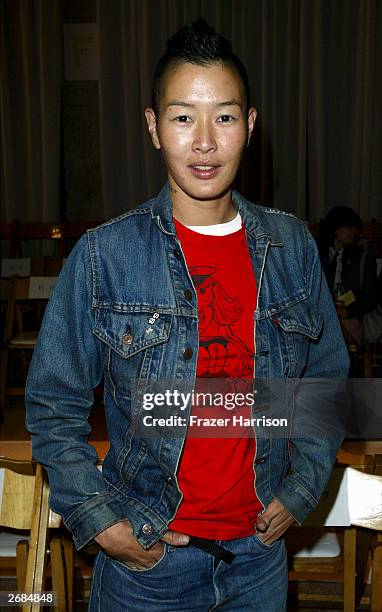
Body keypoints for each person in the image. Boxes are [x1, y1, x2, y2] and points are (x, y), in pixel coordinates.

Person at [25, 18, 349, 612]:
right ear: (153, 127)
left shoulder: (292, 246)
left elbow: (324, 378)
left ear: (249, 126)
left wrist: (302, 486)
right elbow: (52, 402)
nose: (204, 141)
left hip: (258, 559)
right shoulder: (105, 256)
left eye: (224, 117)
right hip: (147, 560)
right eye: (182, 117)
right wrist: (100, 521)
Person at [317, 206, 378, 347]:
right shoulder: (320, 256)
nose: (353, 231)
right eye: (348, 226)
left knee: (336, 329)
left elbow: (371, 295)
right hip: (325, 315)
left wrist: (347, 311)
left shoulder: (363, 257)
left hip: (350, 318)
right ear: (335, 228)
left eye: (355, 227)